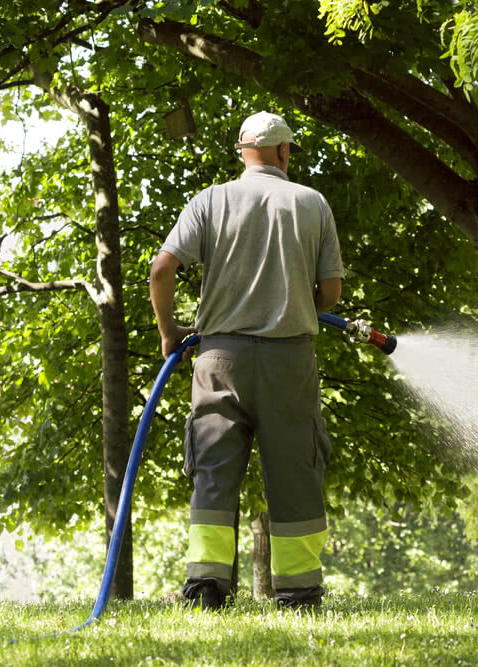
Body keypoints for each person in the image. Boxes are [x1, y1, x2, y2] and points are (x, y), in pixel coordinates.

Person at [150, 111, 344, 610]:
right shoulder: (311, 202)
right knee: (295, 472)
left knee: (214, 471)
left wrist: (170, 332)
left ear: (243, 151)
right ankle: (299, 593)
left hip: (219, 358)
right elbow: (331, 293)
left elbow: (162, 269)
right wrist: (296, 307)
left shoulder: (209, 201)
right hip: (290, 360)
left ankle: (206, 588)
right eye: (289, 150)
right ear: (282, 151)